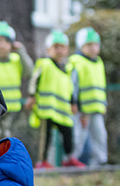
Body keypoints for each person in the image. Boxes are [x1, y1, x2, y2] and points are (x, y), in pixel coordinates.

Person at [25, 30, 86, 169]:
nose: (59, 50)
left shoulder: (68, 68)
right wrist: (32, 95)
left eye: (62, 47)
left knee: (68, 133)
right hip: (47, 109)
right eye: (55, 47)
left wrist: (73, 102)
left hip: (63, 110)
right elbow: (35, 80)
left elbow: (71, 87)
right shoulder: (44, 64)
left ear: (66, 49)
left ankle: (70, 158)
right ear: (49, 49)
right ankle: (42, 161)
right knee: (46, 137)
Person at [70, 27, 108, 166]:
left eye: (95, 44)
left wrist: (104, 104)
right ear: (82, 46)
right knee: (78, 137)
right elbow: (73, 86)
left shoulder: (99, 62)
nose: (93, 48)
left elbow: (101, 86)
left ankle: (100, 162)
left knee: (100, 136)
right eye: (89, 45)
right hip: (82, 110)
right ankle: (72, 161)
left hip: (97, 108)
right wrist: (75, 104)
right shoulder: (76, 61)